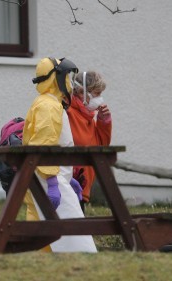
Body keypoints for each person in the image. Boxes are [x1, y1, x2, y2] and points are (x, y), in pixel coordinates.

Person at [23, 56, 97, 253]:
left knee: (45, 239)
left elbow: (58, 145)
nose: (70, 83)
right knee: (78, 242)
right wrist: (54, 182)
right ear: (57, 78)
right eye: (66, 77)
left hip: (52, 178)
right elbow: (43, 146)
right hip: (50, 180)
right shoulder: (49, 106)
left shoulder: (51, 103)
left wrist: (68, 177)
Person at [67, 71, 112, 211]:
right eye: (97, 93)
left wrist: (104, 122)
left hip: (82, 185)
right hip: (69, 185)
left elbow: (101, 146)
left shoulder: (88, 117)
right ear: (82, 91)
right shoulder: (68, 112)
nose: (100, 98)